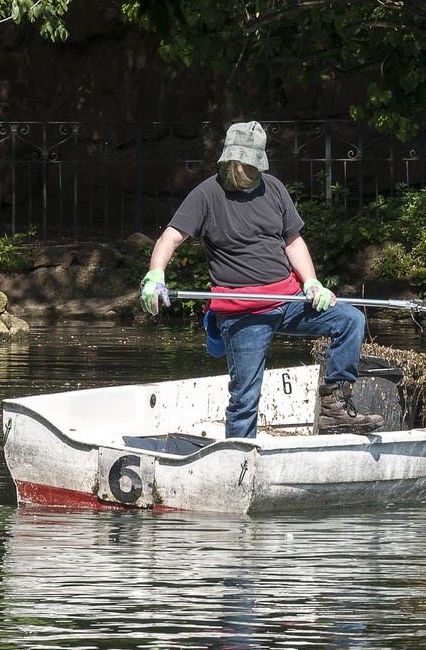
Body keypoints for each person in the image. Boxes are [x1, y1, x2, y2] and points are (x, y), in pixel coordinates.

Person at [139, 121, 383, 438]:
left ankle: (334, 405)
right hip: (243, 310)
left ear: (259, 164)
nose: (239, 173)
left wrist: (311, 282)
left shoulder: (275, 189)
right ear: (225, 160)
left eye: (247, 167)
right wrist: (155, 274)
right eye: (233, 166)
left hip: (288, 299)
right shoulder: (206, 195)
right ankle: (239, 456)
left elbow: (293, 241)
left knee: (349, 320)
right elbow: (169, 239)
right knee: (245, 397)